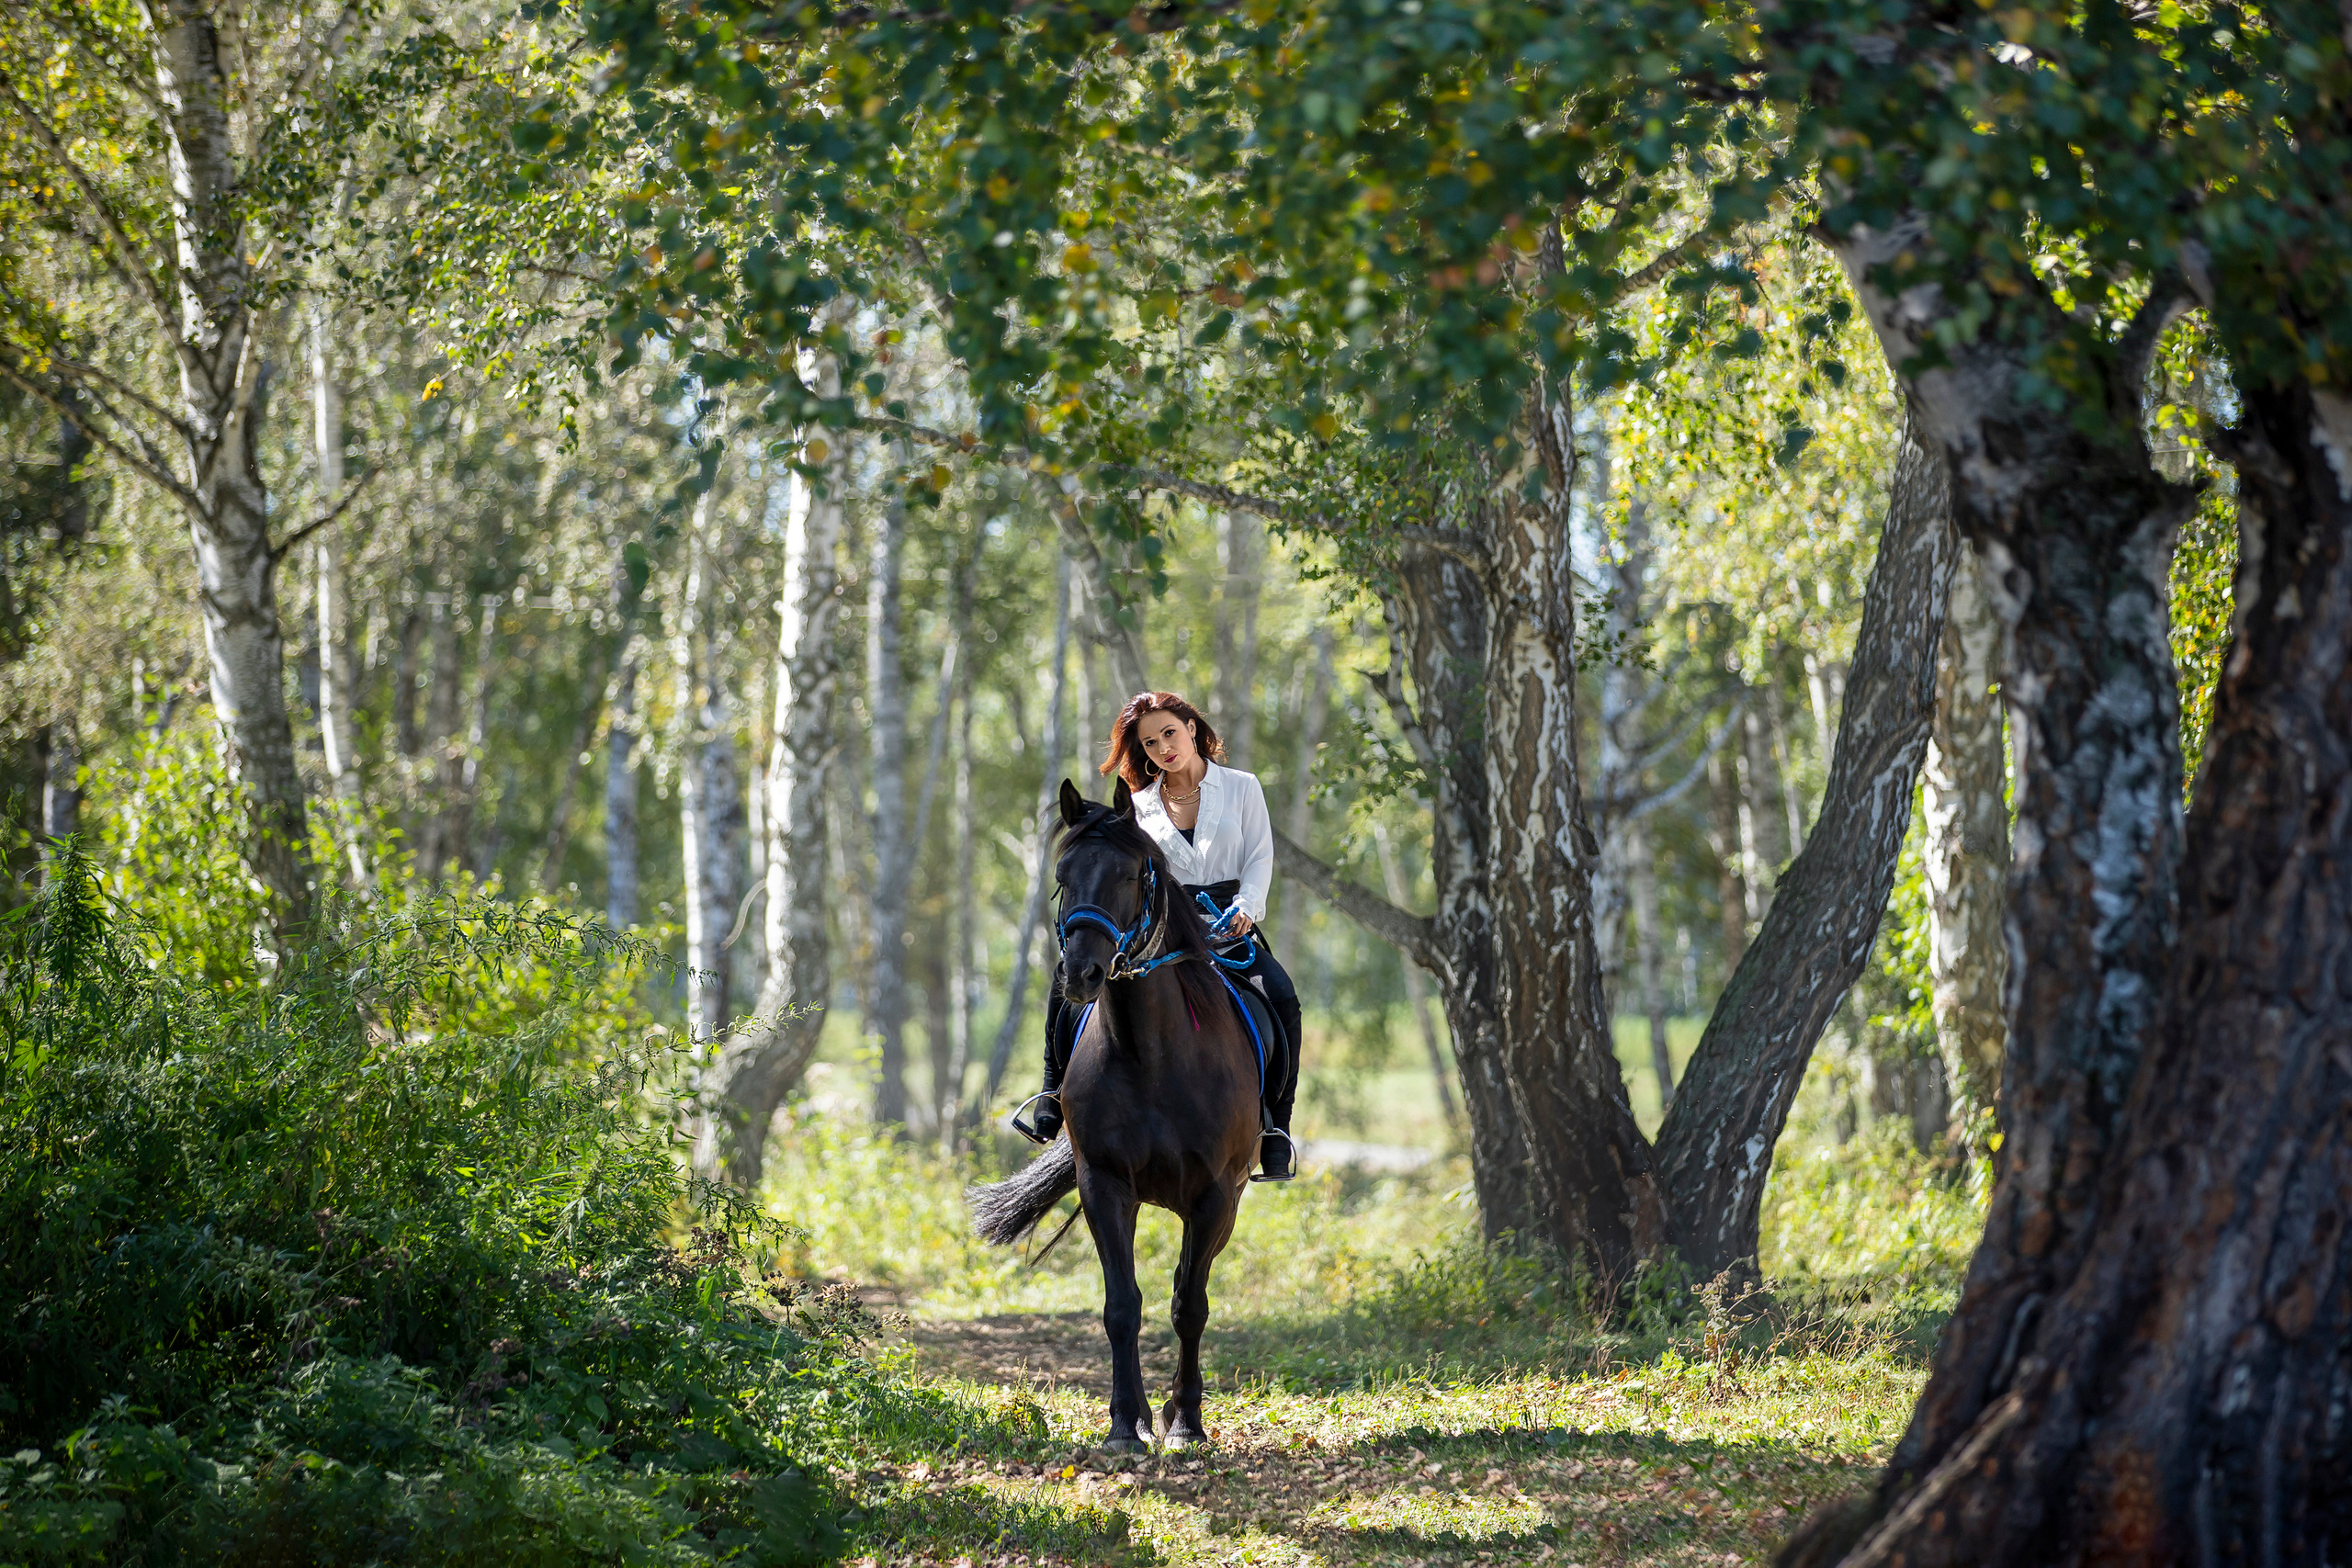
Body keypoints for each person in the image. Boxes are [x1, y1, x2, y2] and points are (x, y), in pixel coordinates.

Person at [1024, 691, 1303, 1180]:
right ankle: (1051, 1094)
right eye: (1150, 743)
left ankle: (1276, 1130)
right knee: (1066, 979)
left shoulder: (1242, 787)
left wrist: (1246, 906)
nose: (1162, 748)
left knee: (1282, 996)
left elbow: (1260, 856)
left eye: (1169, 733)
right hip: (1166, 933)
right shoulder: (1137, 808)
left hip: (1231, 926)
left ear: (1191, 728)